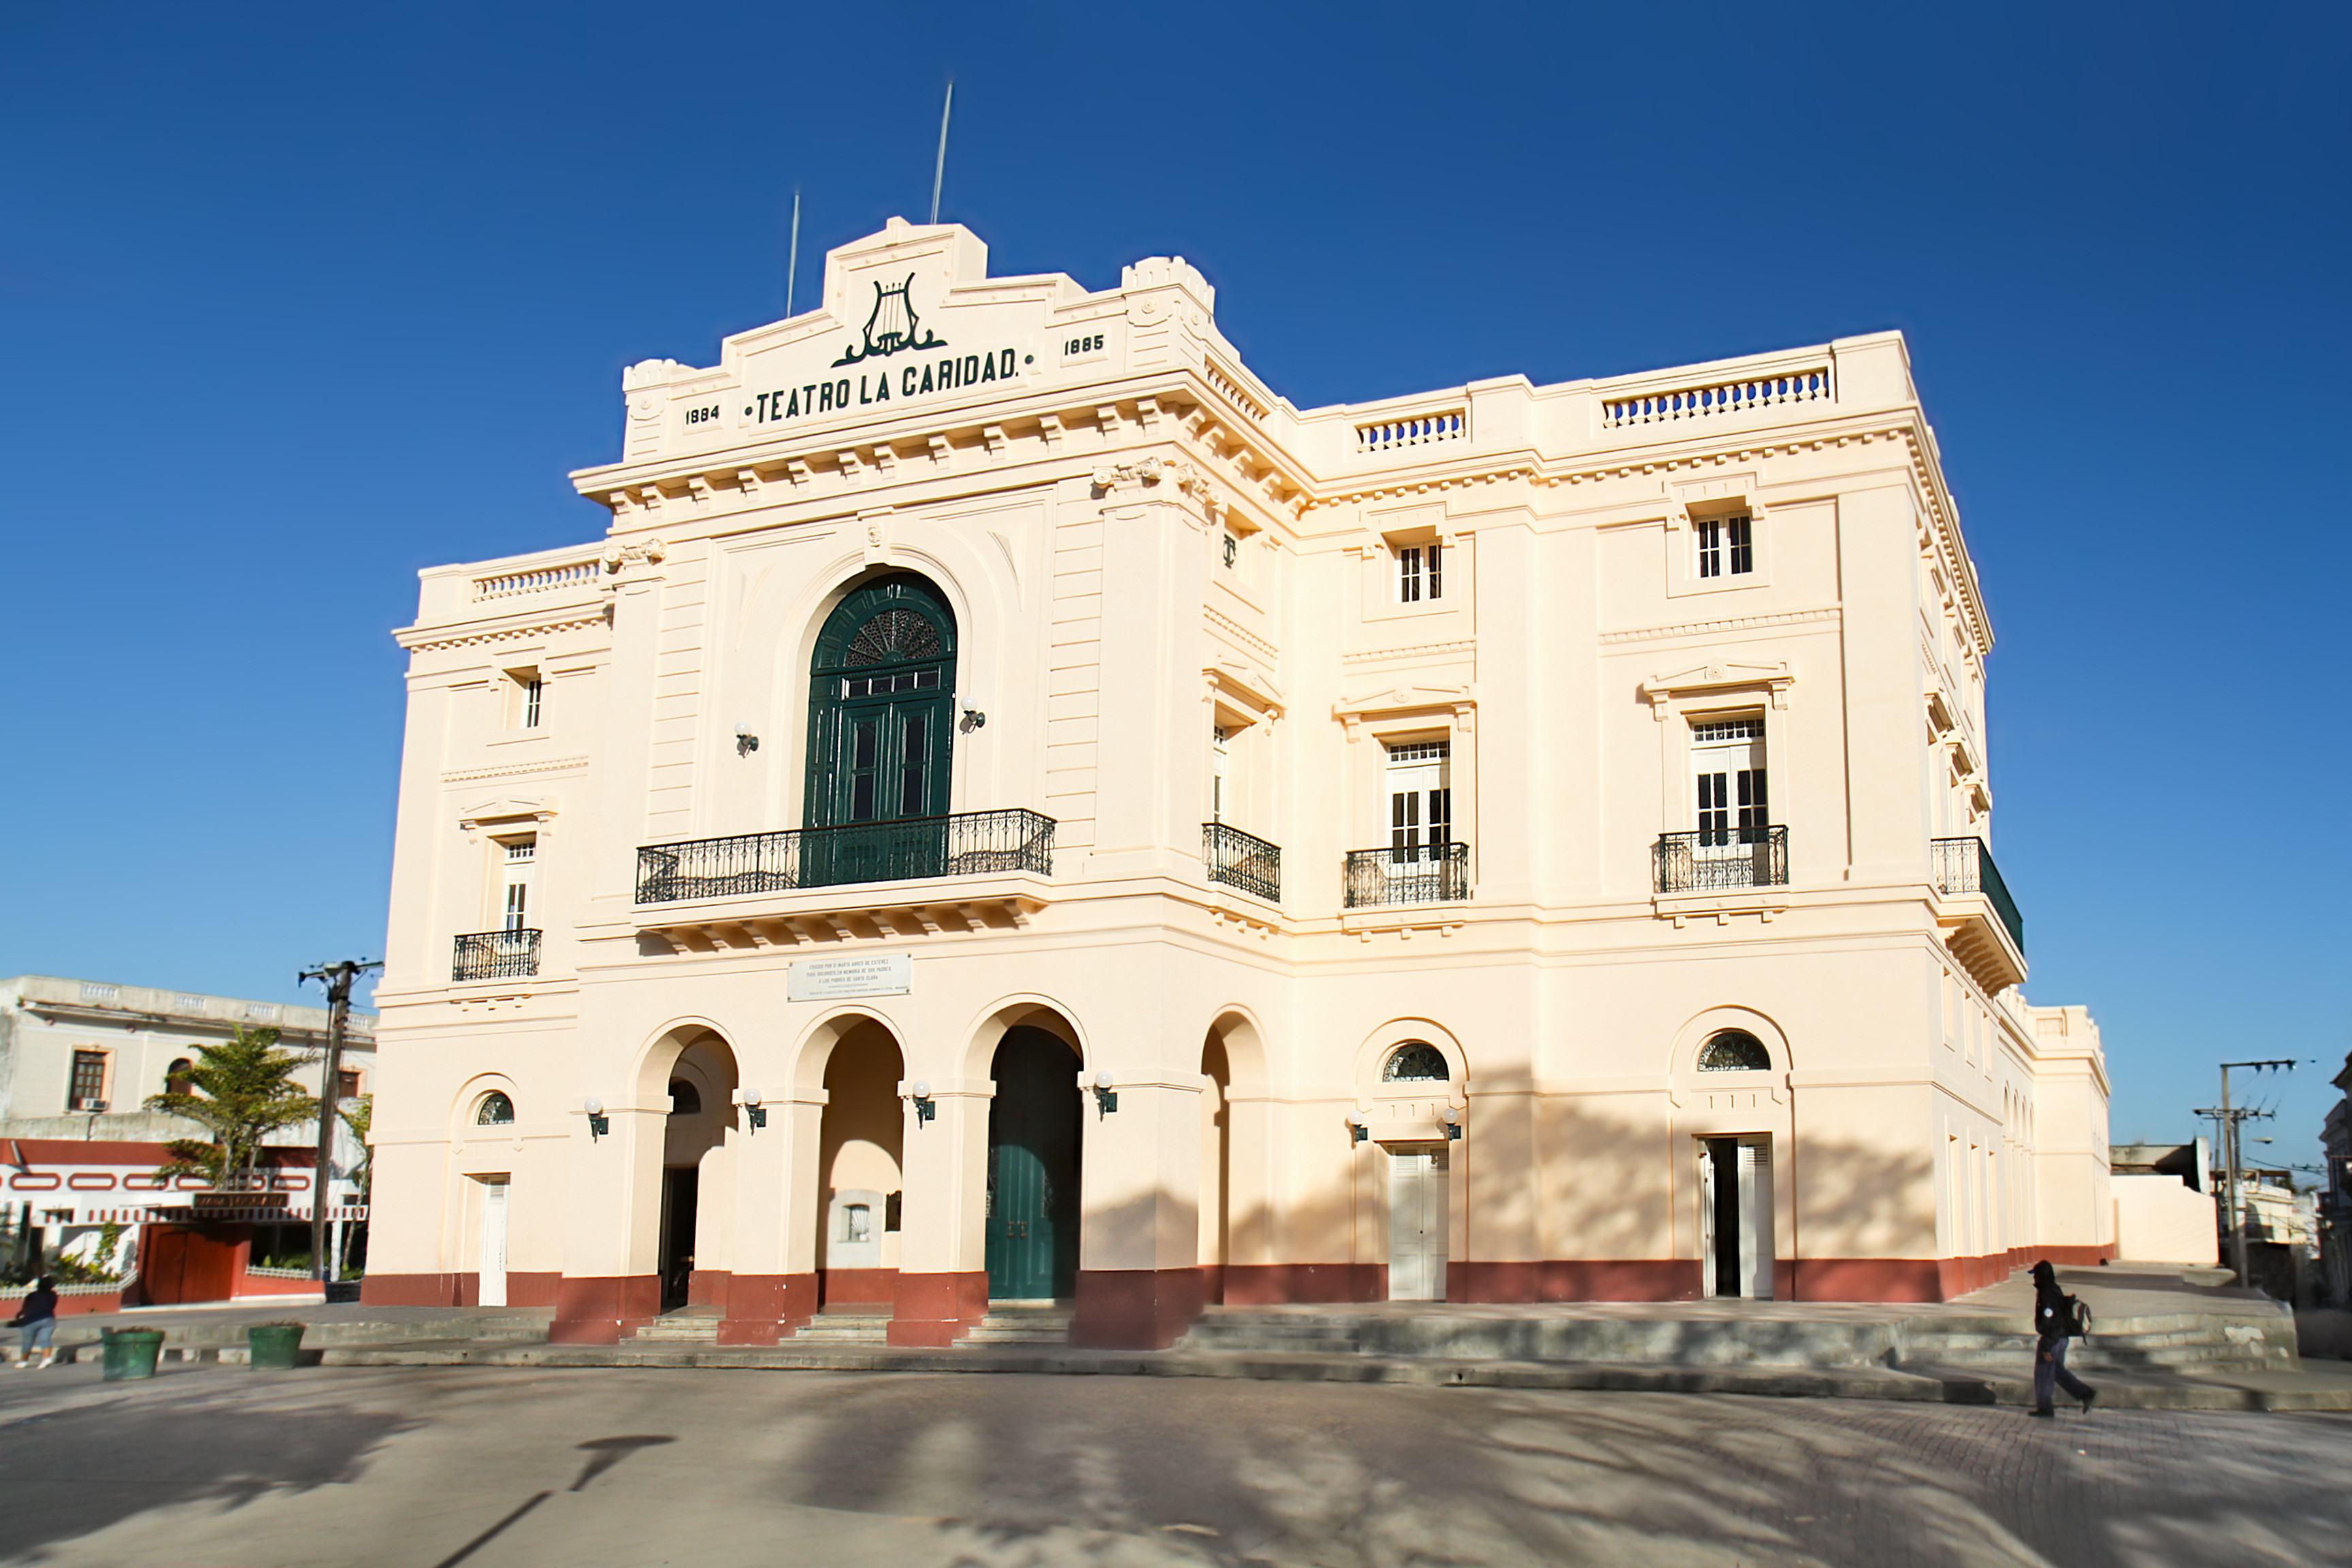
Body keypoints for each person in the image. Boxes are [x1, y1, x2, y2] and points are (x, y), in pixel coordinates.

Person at [2029, 1258, 2095, 1417]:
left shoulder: (2048, 1294)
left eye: (2036, 1275)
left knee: (2044, 1372)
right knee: (2057, 1370)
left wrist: (2046, 1346)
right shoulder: (2053, 1289)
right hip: (2060, 1338)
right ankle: (2085, 1393)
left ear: (2042, 1276)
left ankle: (2045, 1407)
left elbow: (2052, 1321)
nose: (2034, 1279)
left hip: (2053, 1339)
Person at [8, 1276, 59, 1371]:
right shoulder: (53, 1295)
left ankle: (23, 1361)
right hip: (49, 1320)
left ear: (39, 1285)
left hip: (31, 1320)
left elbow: (25, 1308)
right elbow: (52, 1306)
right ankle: (46, 1358)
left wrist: (19, 1316)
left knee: (28, 1341)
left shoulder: (32, 1295)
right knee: (45, 1339)